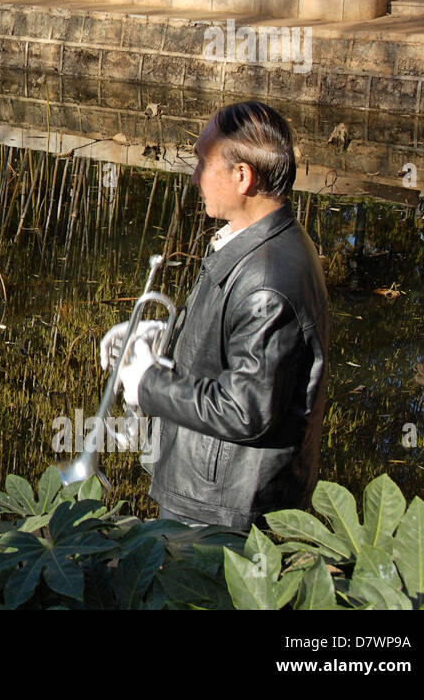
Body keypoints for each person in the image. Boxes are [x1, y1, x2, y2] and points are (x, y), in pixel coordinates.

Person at [104, 102, 330, 530]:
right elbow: (234, 352)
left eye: (203, 164)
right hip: (215, 489)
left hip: (219, 507)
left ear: (242, 177)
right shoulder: (261, 243)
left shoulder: (267, 280)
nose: (194, 177)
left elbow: (245, 408)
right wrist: (164, 343)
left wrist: (148, 384)